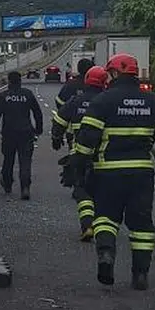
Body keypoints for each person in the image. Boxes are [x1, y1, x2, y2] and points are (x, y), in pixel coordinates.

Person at [71, 53, 155, 290]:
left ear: (115, 73)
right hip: (142, 174)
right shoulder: (154, 102)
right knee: (141, 224)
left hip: (108, 172)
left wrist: (79, 165)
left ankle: (106, 255)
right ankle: (140, 274)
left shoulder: (103, 100)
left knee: (105, 218)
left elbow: (87, 138)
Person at [51, 65, 109, 240]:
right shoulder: (109, 100)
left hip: (80, 152)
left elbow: (59, 119)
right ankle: (103, 226)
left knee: (81, 188)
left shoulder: (76, 101)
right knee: (102, 190)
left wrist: (56, 138)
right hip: (106, 155)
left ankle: (87, 224)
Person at [0, 70, 44, 199]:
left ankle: (7, 183)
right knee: (25, 160)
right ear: (20, 81)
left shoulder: (3, 96)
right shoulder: (28, 94)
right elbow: (37, 113)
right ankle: (25, 187)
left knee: (8, 159)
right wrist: (38, 129)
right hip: (26, 133)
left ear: (9, 82)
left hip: (9, 133)